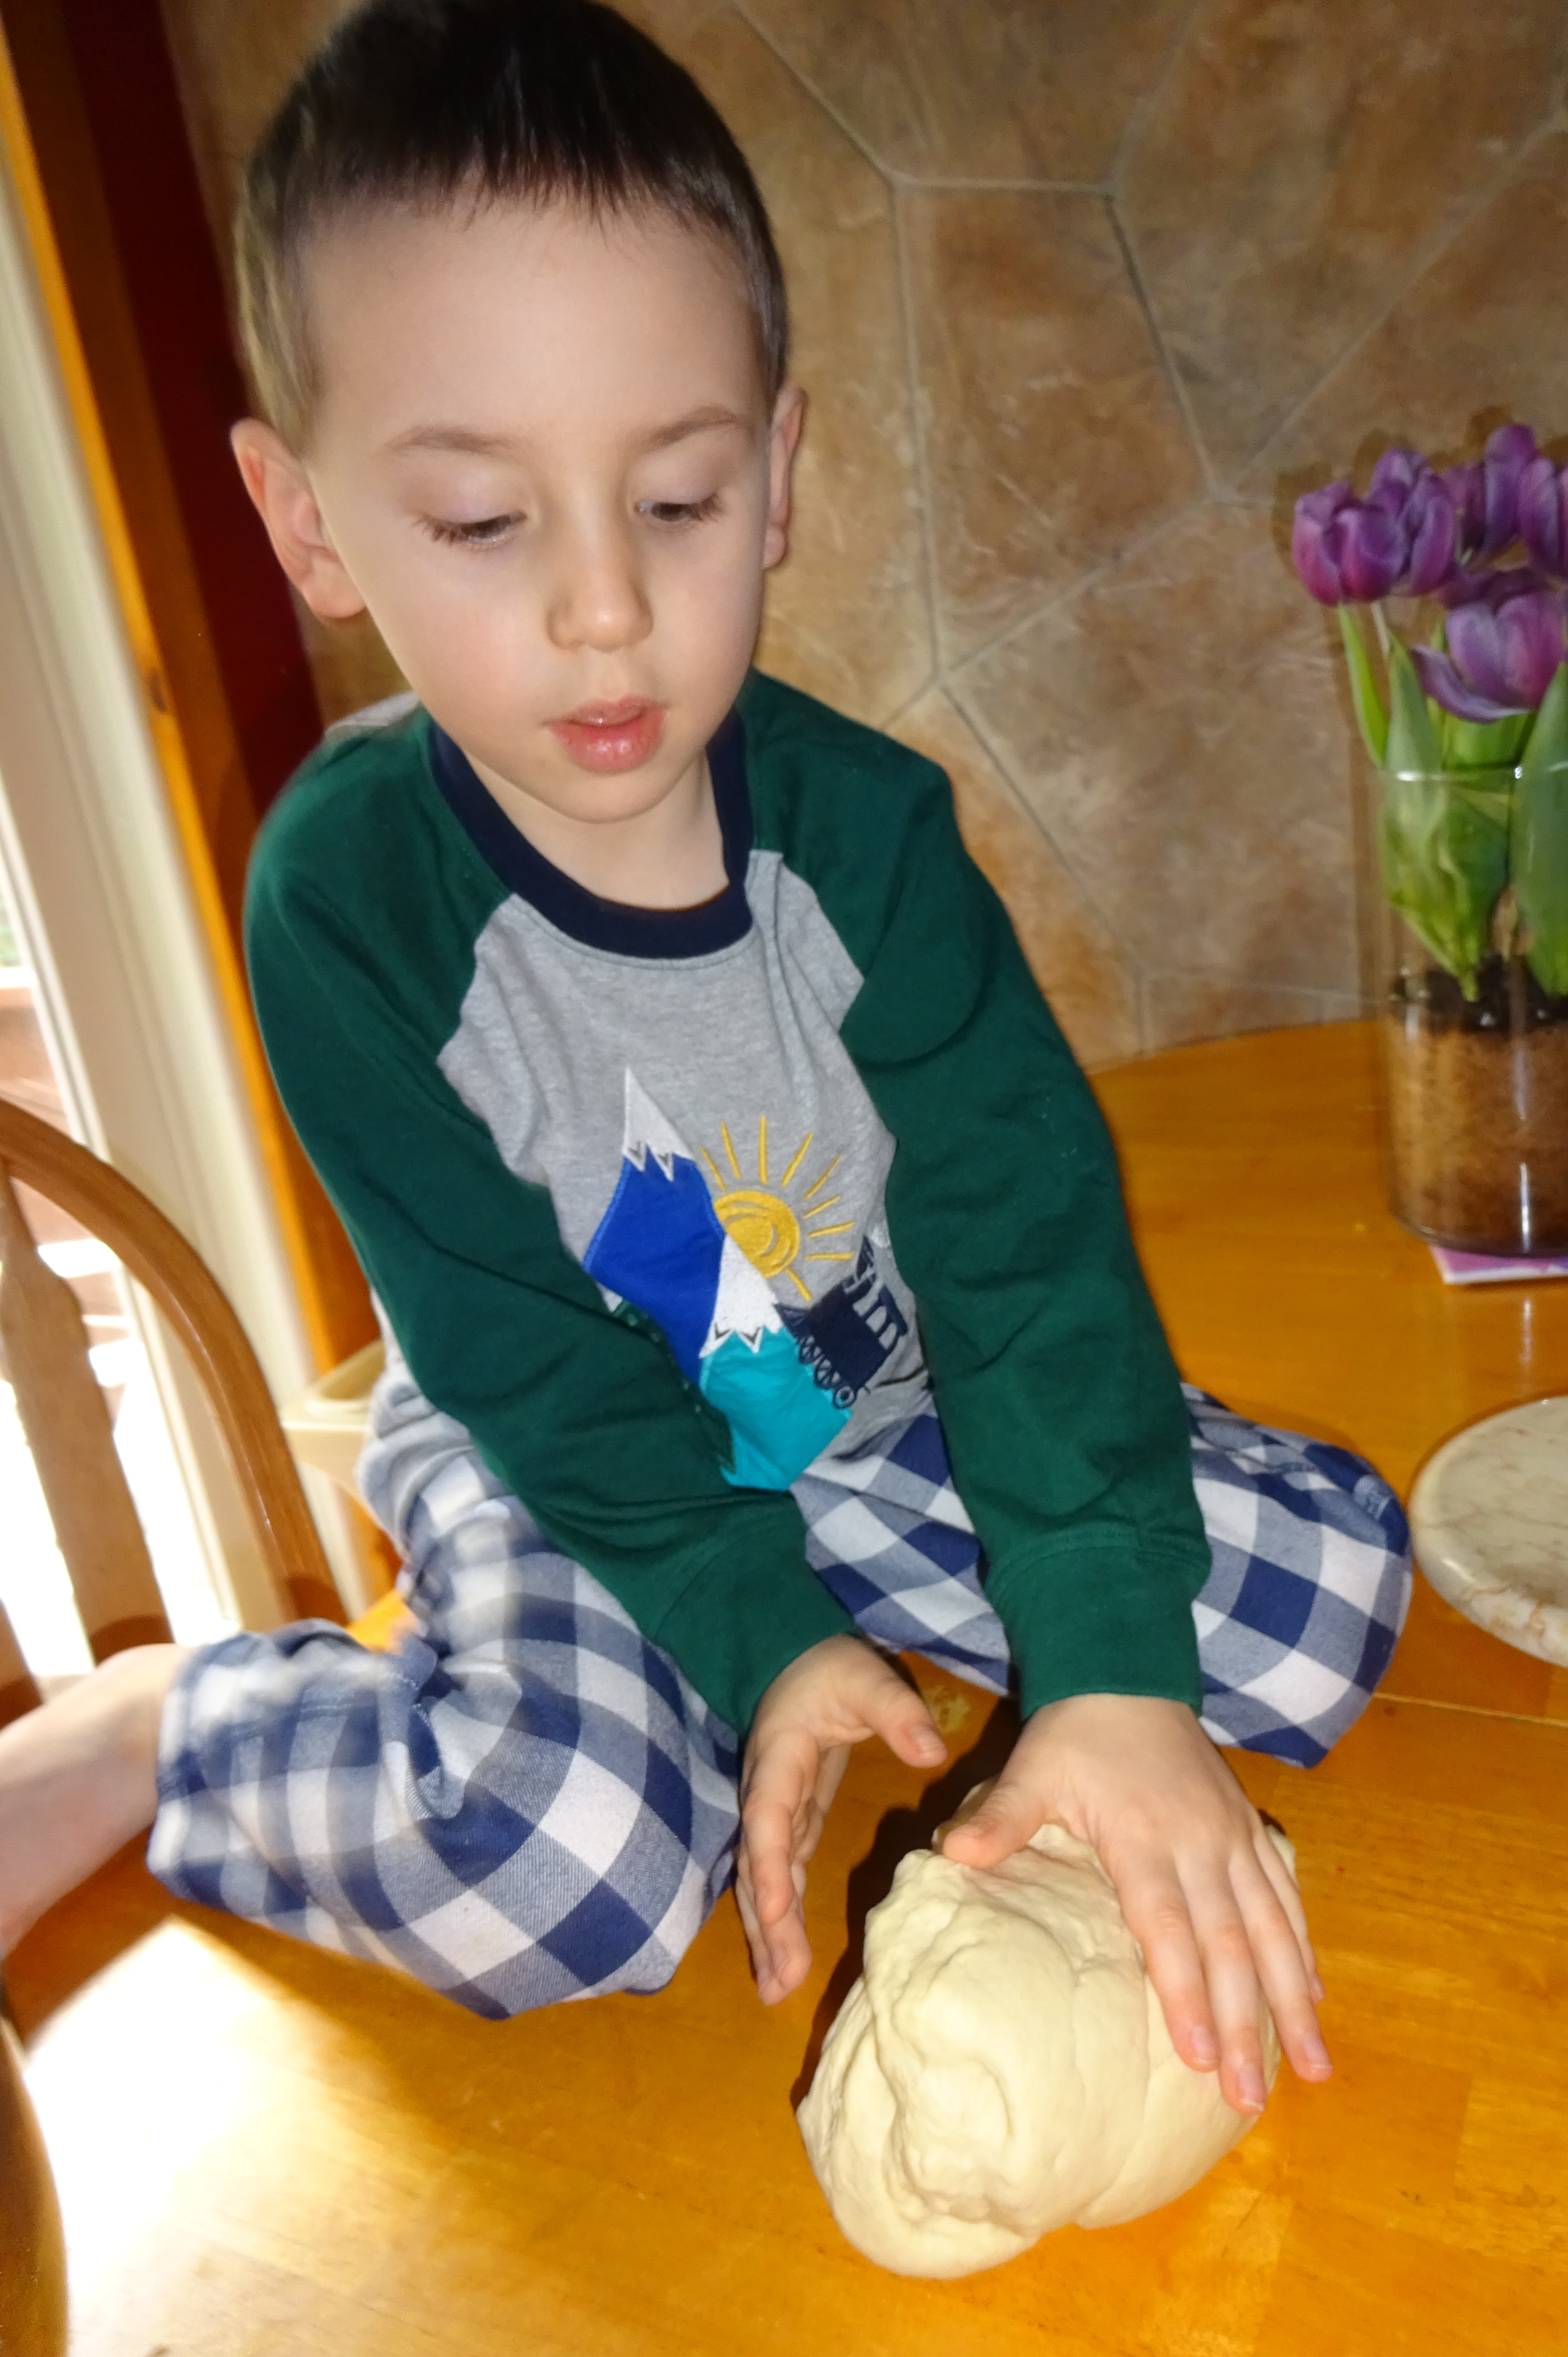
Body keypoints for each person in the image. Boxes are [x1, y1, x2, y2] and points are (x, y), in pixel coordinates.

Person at [0, 0, 1411, 2119]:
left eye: (674, 496)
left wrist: (1106, 1668)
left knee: (1318, 1604)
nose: (603, 609)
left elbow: (1017, 1245)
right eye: (483, 523)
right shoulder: (342, 905)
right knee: (574, 1871)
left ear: (776, 476)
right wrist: (762, 1633)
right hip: (556, 1427)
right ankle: (165, 1728)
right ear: (306, 524)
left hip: (863, 1380)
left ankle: (907, 1623)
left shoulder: (872, 837)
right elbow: (523, 1361)